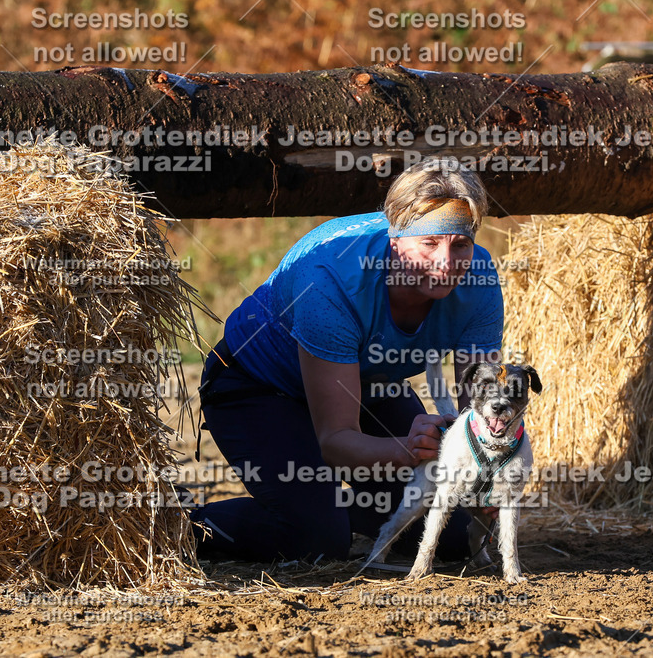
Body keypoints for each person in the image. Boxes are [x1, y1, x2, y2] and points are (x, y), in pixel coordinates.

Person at [190, 157, 505, 563]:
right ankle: (183, 526)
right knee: (315, 541)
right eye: (429, 243)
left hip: (368, 384)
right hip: (258, 386)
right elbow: (336, 441)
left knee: (454, 534)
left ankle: (336, 509)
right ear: (395, 240)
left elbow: (480, 413)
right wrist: (408, 451)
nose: (446, 263)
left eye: (460, 244)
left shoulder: (478, 278)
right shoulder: (330, 280)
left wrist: (485, 471)